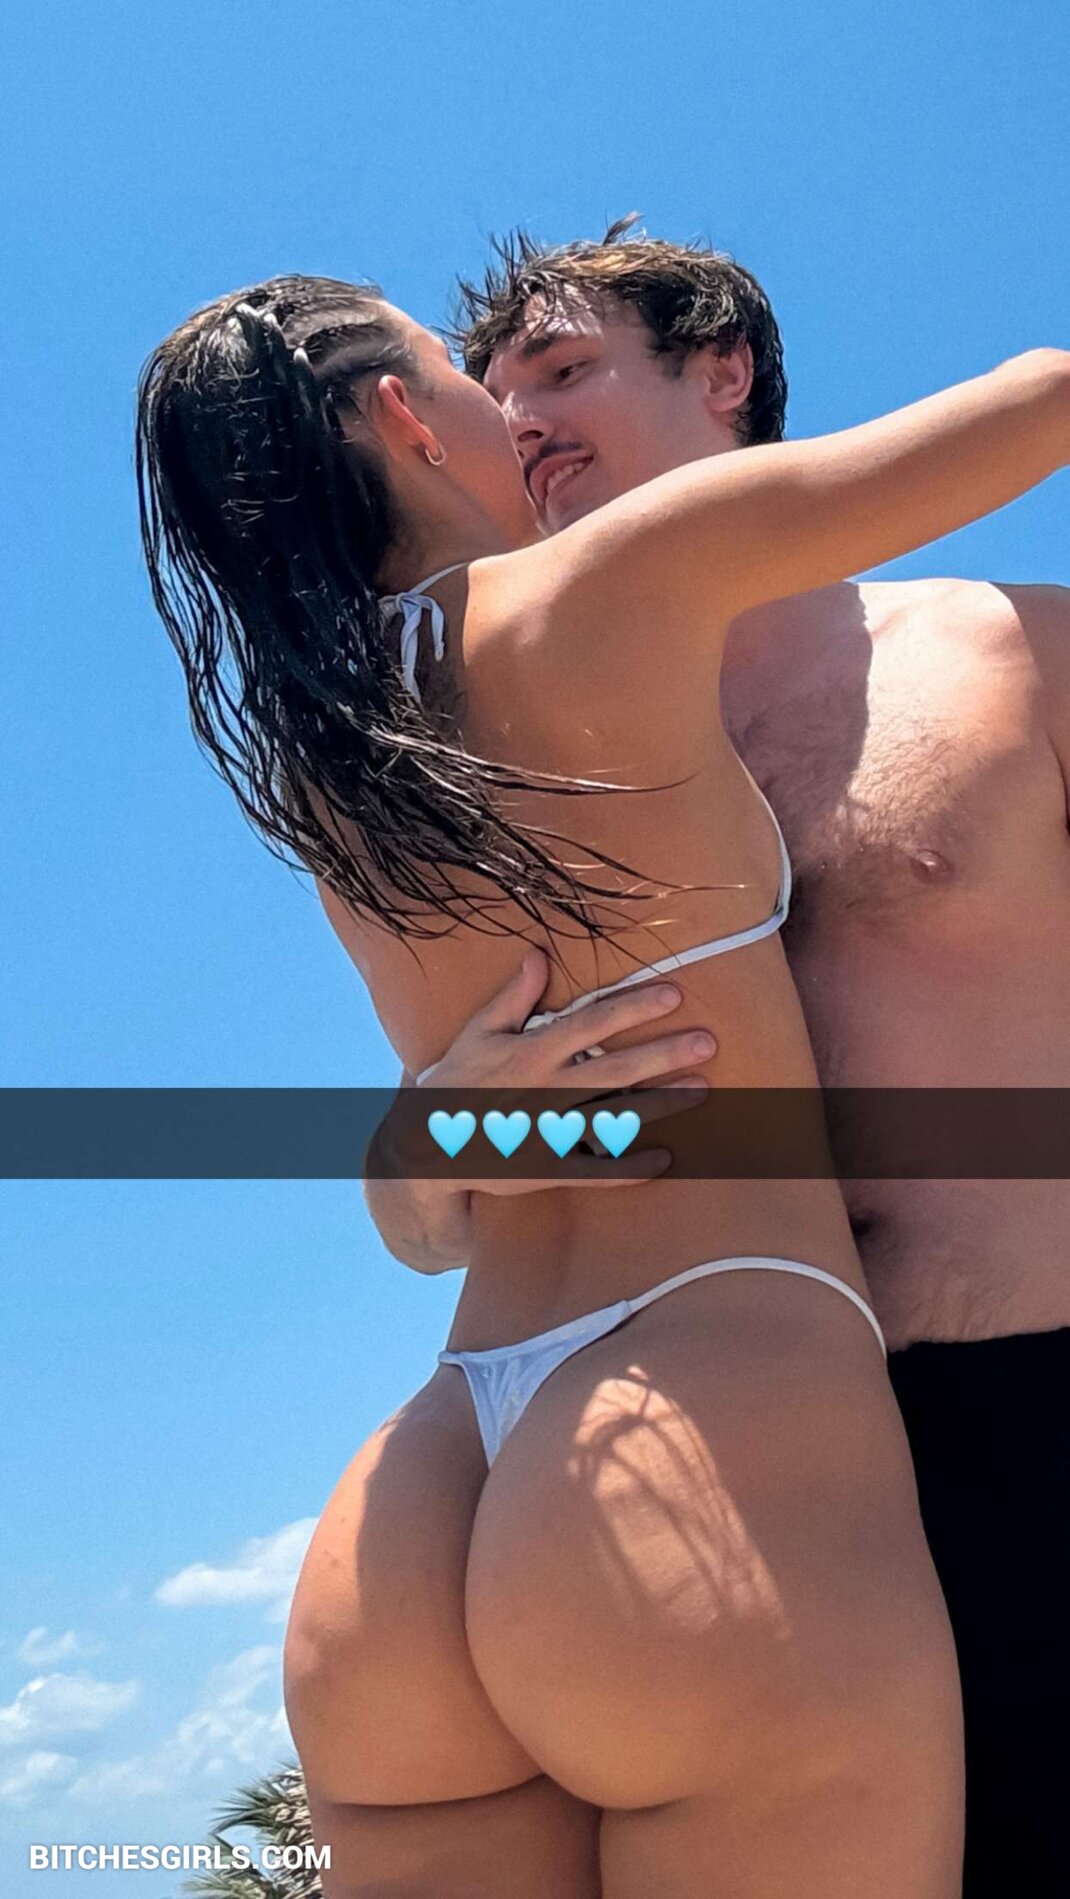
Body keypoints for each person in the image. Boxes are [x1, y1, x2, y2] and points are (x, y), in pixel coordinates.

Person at [136, 265, 1069, 1897]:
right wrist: (417, 1155)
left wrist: (435, 1137)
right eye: (478, 377)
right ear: (408, 417)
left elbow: (513, 1125)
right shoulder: (619, 594)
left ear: (720, 374)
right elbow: (1036, 400)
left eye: (558, 369)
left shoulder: (343, 759)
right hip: (710, 1423)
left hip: (438, 1491)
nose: (518, 415)